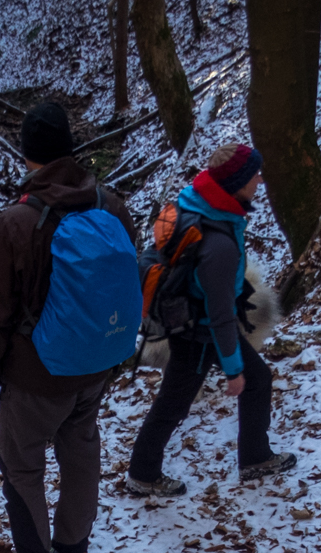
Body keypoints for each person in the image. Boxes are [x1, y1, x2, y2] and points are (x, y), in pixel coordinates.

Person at [0, 102, 140, 553]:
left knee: (21, 465)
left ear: (26, 155)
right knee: (81, 448)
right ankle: (72, 552)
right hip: (98, 362)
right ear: (71, 148)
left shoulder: (16, 222)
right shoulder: (110, 204)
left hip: (37, 374)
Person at [125, 143, 295, 496]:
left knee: (258, 378)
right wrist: (232, 371)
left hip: (189, 317)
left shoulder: (196, 200)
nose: (260, 181)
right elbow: (219, 316)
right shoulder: (218, 244)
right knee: (174, 402)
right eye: (254, 176)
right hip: (199, 331)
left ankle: (254, 457)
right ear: (236, 183)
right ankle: (143, 474)